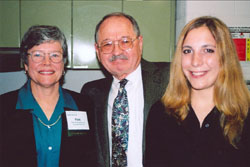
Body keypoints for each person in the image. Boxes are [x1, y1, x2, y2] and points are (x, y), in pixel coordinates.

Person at [145, 16, 250, 167]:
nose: (195, 61)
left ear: (225, 57)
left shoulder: (245, 115)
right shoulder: (161, 113)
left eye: (208, 50)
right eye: (187, 51)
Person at [81, 12, 170, 167]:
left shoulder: (170, 79)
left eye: (125, 41)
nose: (116, 51)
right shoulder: (91, 93)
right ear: (97, 50)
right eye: (107, 44)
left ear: (140, 43)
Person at [0, 25, 97, 167]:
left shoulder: (85, 105)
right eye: (37, 55)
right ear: (26, 64)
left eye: (55, 55)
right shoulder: (3, 107)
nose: (47, 62)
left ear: (64, 64)